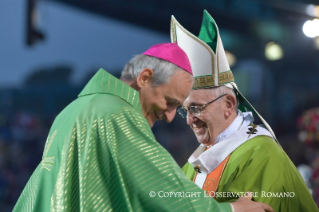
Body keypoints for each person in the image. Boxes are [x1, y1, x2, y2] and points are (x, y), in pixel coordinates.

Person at [13, 43, 273, 212]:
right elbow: (164, 191)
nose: (171, 117)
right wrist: (234, 210)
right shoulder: (117, 115)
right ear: (145, 78)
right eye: (170, 103)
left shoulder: (75, 110)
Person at [171, 10, 319, 212]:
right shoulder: (195, 163)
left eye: (196, 108)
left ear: (229, 105)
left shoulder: (260, 154)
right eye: (185, 110)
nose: (189, 120)